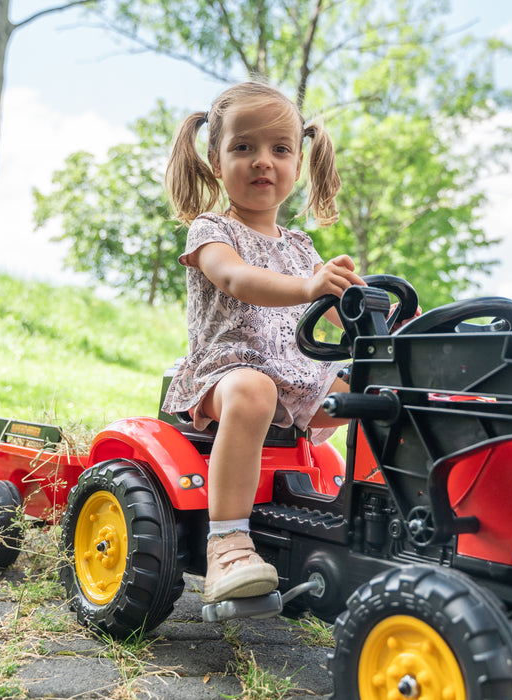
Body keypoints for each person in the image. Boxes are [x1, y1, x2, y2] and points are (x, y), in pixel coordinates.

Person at [160, 81, 362, 603]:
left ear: (299, 162)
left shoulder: (299, 246)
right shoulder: (212, 232)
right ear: (214, 159)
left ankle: (376, 517)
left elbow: (338, 312)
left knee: (377, 395)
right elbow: (238, 280)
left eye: (279, 149)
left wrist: (380, 318)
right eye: (243, 148)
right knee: (254, 390)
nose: (261, 162)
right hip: (225, 377)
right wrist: (311, 285)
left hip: (296, 382)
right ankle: (226, 542)